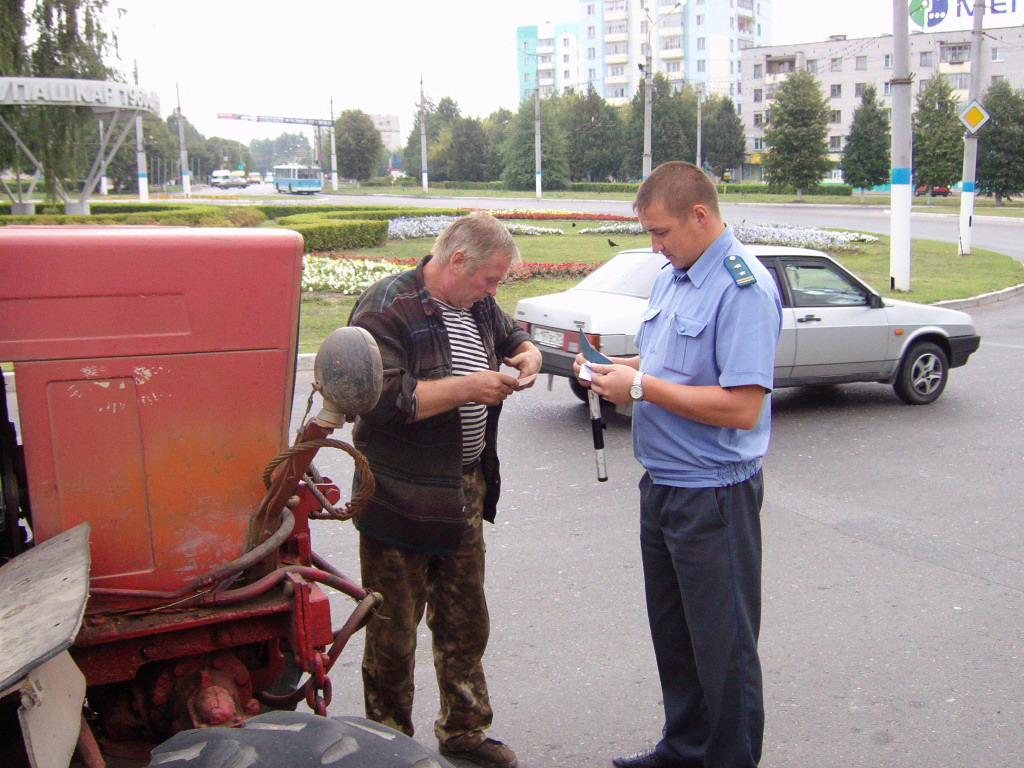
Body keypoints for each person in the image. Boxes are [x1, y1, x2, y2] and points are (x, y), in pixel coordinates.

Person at [575, 162, 782, 768]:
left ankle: (731, 759)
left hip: (713, 494)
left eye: (661, 232)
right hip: (662, 485)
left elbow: (742, 408)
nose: (655, 246)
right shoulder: (675, 275)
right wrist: (617, 367)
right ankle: (686, 747)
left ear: (700, 214)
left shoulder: (743, 288)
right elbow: (665, 359)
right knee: (677, 638)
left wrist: (638, 387)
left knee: (725, 649)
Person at [348, 212, 541, 768]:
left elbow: (512, 334)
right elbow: (381, 399)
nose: (493, 291)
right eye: (490, 279)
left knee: (463, 619)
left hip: (464, 489)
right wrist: (469, 388)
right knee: (393, 632)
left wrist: (525, 355)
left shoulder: (474, 302)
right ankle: (390, 745)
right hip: (399, 494)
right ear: (457, 261)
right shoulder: (386, 307)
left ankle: (464, 730)